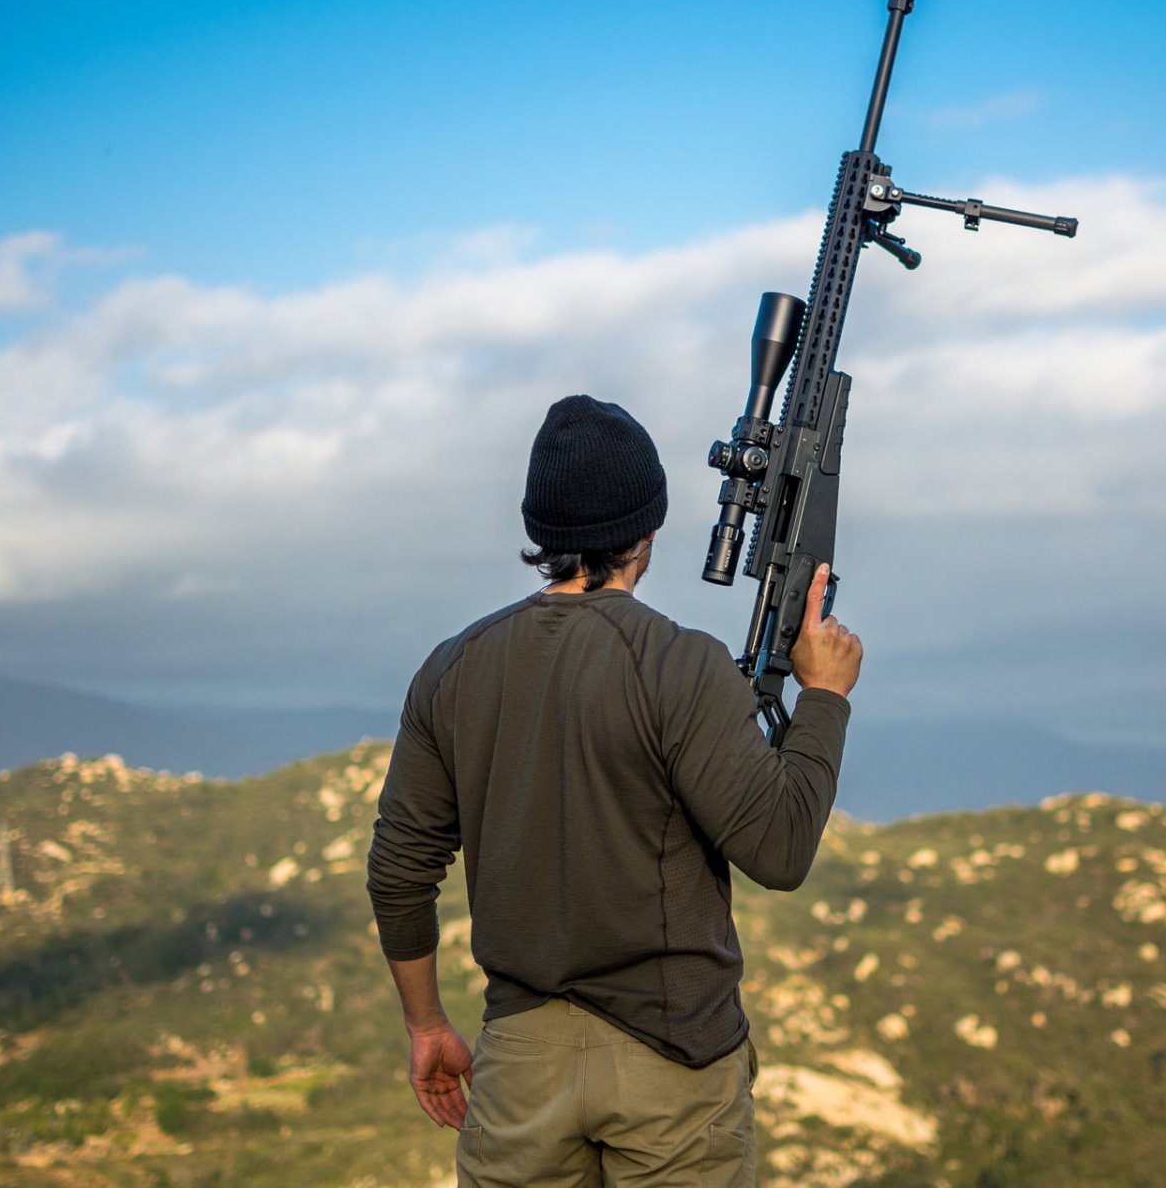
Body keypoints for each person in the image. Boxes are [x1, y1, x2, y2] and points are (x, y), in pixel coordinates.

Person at [366, 394, 862, 1187]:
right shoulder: (680, 664)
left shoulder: (451, 669)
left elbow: (398, 875)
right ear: (649, 530)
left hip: (520, 1064)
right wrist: (825, 699)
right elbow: (780, 848)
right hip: (675, 1060)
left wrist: (427, 1027)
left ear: (540, 531)